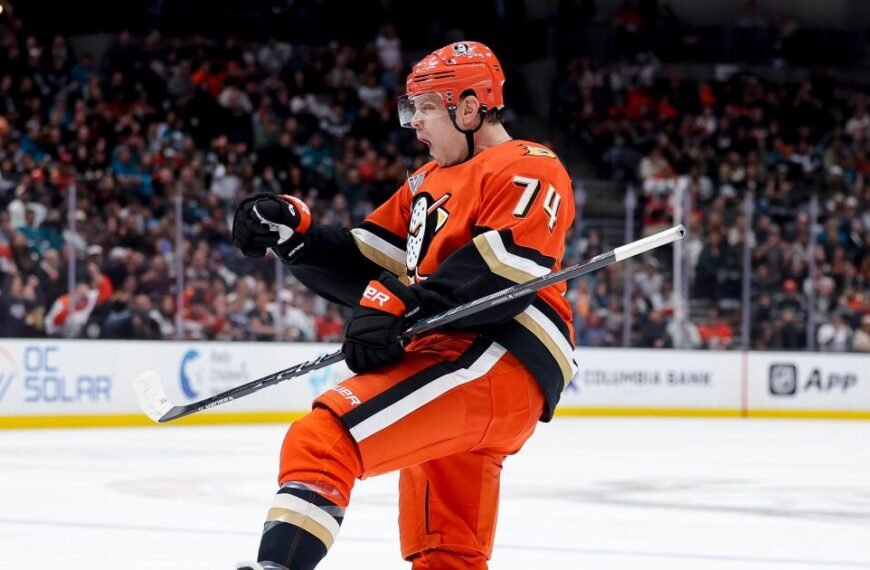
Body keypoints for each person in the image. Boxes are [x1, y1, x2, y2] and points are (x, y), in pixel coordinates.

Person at [231, 41, 576, 570]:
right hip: (453, 359)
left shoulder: (527, 165)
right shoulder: (424, 183)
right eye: (410, 108)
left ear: (469, 107)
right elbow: (368, 264)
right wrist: (296, 236)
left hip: (495, 356)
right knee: (446, 550)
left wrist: (403, 306)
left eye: (426, 108)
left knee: (326, 436)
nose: (413, 123)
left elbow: (505, 269)